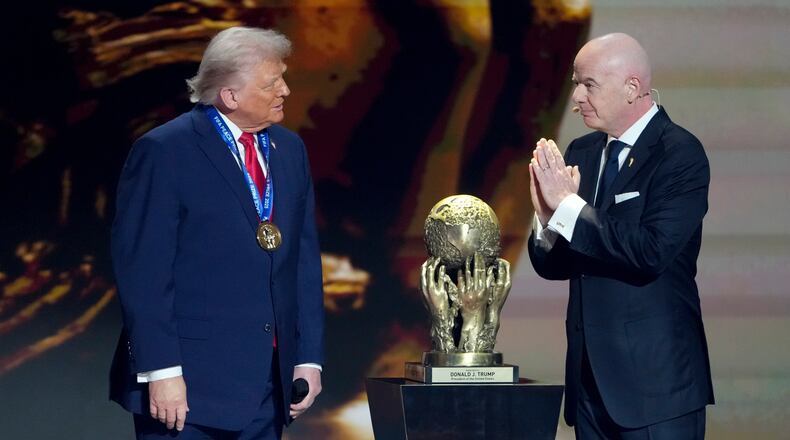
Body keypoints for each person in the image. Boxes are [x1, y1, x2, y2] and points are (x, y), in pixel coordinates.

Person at [109, 26, 324, 439]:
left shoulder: (289, 150)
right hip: (187, 390)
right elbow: (144, 272)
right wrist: (162, 371)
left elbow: (302, 261)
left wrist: (308, 357)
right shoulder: (165, 151)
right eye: (272, 82)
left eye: (282, 76)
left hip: (268, 387)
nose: (285, 90)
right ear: (230, 95)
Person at [527, 33, 714, 439]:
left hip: (655, 390)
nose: (576, 97)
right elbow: (556, 267)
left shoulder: (679, 153)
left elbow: (650, 251)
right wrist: (546, 219)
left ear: (632, 87)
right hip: (590, 388)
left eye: (588, 84)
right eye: (575, 83)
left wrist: (569, 208)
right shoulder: (583, 151)